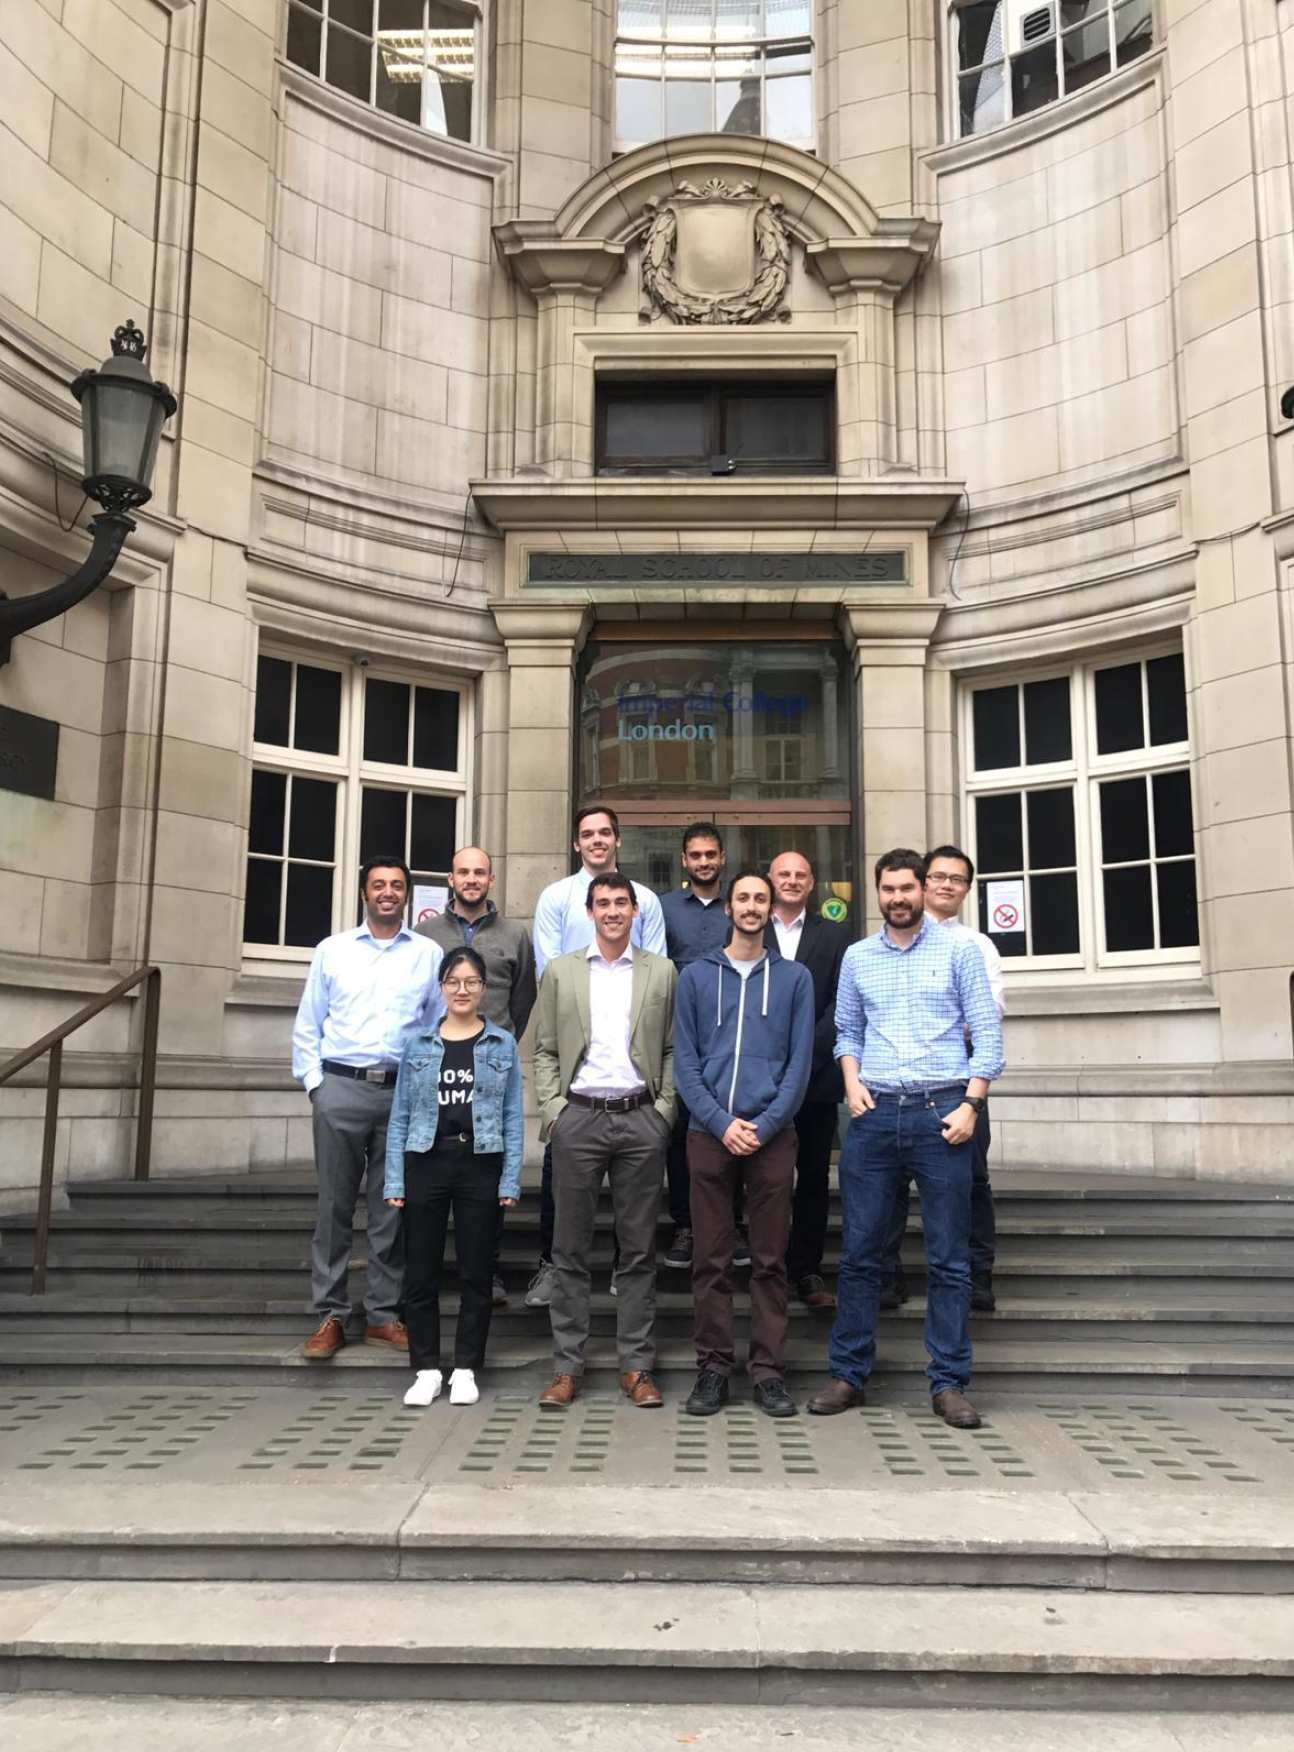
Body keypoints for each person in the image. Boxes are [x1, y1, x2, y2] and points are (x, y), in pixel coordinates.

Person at [809, 849, 1004, 1430]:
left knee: (948, 1261)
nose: (897, 898)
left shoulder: (959, 952)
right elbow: (847, 1029)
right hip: (873, 1118)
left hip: (943, 1114)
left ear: (924, 890)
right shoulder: (858, 957)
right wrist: (851, 1083)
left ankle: (948, 1384)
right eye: (888, 889)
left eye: (907, 888)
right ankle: (849, 1374)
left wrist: (971, 1104)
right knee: (862, 1257)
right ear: (878, 893)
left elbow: (988, 1035)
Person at [674, 868, 815, 1419]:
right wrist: (719, 1121)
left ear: (771, 905)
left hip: (773, 1136)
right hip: (708, 1134)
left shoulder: (796, 978)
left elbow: (800, 1063)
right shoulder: (695, 977)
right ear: (728, 909)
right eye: (744, 898)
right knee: (709, 1259)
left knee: (769, 1260)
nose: (753, 907)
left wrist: (767, 1121)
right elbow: (684, 1061)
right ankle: (712, 1369)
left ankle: (768, 1372)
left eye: (761, 897)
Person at [532, 872, 676, 1409]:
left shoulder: (661, 972)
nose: (613, 911)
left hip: (640, 1119)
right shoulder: (563, 972)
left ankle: (636, 1367)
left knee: (637, 1252)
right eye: (603, 903)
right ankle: (567, 1368)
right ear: (589, 912)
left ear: (636, 911)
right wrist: (554, 1112)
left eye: (622, 903)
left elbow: (671, 1048)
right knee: (568, 1250)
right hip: (580, 1121)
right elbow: (544, 1049)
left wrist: (663, 1113)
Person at [291, 855, 444, 1361]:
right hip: (340, 1089)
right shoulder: (332, 951)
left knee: (390, 1210)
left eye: (397, 885)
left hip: (401, 1094)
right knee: (334, 1207)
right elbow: (308, 1024)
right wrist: (317, 1086)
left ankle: (382, 1314)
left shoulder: (426, 954)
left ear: (406, 894)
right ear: (364, 893)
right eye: (378, 885)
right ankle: (331, 1314)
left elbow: (437, 1027)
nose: (388, 893)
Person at [524, 805, 667, 1310]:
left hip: (630, 1069)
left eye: (605, 832)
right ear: (576, 843)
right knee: (560, 1186)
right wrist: (552, 1105)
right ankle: (550, 1266)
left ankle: (621, 1278)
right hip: (573, 1066)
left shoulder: (645, 899)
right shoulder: (556, 898)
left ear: (618, 841)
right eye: (587, 834)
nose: (597, 840)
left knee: (635, 1201)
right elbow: (547, 971)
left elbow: (658, 975)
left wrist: (662, 1107)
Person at [384, 947, 523, 1407]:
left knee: (476, 1272)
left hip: (480, 1163)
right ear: (441, 988)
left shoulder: (502, 1044)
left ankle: (465, 1367)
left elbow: (511, 1117)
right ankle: (426, 1368)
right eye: (453, 982)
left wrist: (509, 1180)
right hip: (426, 1160)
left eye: (471, 982)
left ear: (483, 989)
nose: (462, 990)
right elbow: (401, 1116)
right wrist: (395, 1181)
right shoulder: (419, 1046)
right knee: (420, 1272)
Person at [879, 845, 1006, 1313]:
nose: (947, 885)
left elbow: (985, 1018)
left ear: (968, 889)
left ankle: (977, 1274)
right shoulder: (884, 943)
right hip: (895, 1083)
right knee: (891, 1183)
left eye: (958, 879)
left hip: (960, 1081)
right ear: (921, 882)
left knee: (972, 1178)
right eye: (938, 876)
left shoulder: (977, 947)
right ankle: (888, 1275)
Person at [416, 845, 537, 1309]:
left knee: (489, 1168)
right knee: (432, 1163)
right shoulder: (426, 935)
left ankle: (484, 1271)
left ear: (491, 879)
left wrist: (498, 1041)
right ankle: (427, 1268)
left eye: (480, 872)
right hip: (436, 1067)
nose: (471, 879)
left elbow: (523, 1000)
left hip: (492, 1066)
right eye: (463, 872)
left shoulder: (514, 935)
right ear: (450, 878)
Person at [764, 850, 849, 1313]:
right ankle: (768, 1265)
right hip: (763, 1080)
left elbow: (840, 1004)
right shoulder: (752, 928)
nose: (792, 881)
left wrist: (805, 1056)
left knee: (813, 1177)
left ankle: (806, 1268)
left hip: (817, 1080)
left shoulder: (834, 935)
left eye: (800, 874)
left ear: (812, 882)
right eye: (784, 874)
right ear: (771, 880)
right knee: (764, 1179)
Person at [659, 823, 731, 1272]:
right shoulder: (663, 908)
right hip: (679, 1040)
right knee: (681, 1135)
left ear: (722, 858)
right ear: (684, 860)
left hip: (733, 1041)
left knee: (732, 1131)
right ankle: (684, 1225)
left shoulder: (740, 904)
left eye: (711, 854)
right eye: (695, 855)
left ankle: (733, 1223)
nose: (703, 861)